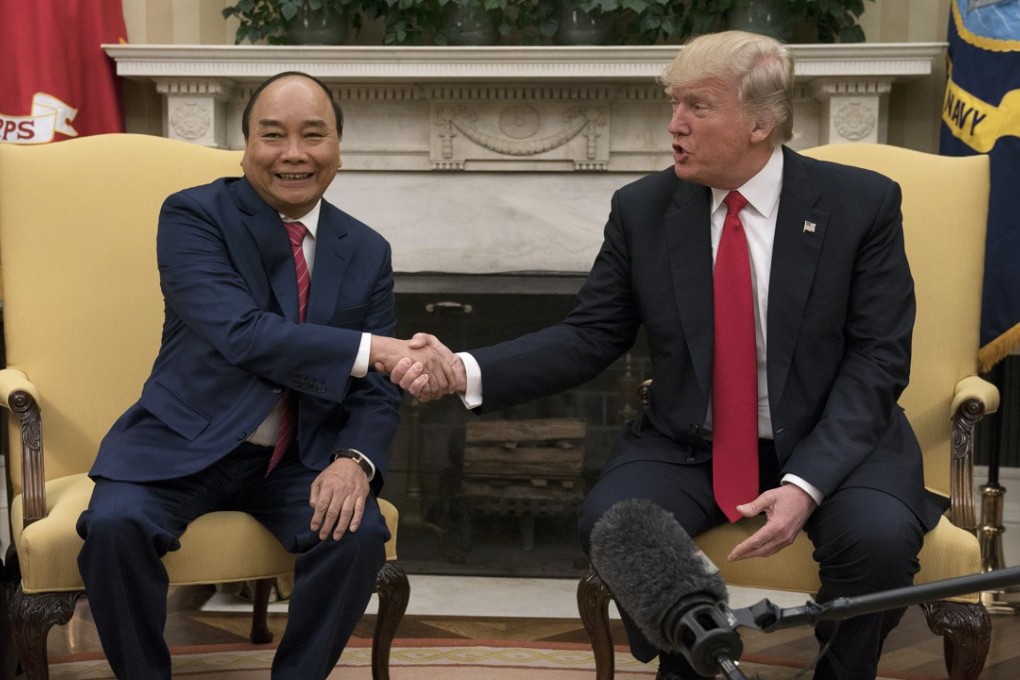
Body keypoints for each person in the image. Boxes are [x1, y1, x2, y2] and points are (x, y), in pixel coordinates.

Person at [390, 31, 944, 680]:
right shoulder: (643, 209)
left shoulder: (860, 204)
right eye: (673, 104)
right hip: (691, 443)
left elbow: (878, 359)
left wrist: (804, 484)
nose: (674, 124)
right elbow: (590, 335)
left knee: (877, 541)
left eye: (697, 107)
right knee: (613, 521)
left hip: (837, 439)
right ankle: (695, 662)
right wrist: (464, 368)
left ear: (760, 123)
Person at [75, 71, 451, 679]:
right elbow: (242, 332)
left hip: (300, 457)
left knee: (356, 535)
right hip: (185, 442)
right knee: (115, 526)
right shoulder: (194, 215)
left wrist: (354, 461)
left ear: (338, 148)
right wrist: (375, 348)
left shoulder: (366, 249)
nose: (293, 153)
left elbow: (376, 389)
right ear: (246, 144)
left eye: (313, 135)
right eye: (273, 135)